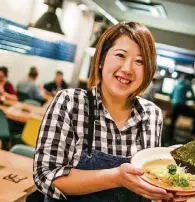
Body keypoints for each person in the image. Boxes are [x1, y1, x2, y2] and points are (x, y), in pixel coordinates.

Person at [34, 21, 171, 202]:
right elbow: (46, 176)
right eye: (120, 55)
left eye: (140, 61)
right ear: (101, 60)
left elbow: (149, 184)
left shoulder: (152, 115)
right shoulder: (70, 102)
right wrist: (115, 177)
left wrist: (168, 186)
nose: (128, 69)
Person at [167, 74, 195, 145]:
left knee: (173, 121)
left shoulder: (176, 85)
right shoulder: (187, 85)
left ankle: (169, 138)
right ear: (187, 79)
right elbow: (194, 98)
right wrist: (186, 98)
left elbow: (170, 96)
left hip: (174, 106)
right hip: (181, 106)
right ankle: (193, 135)